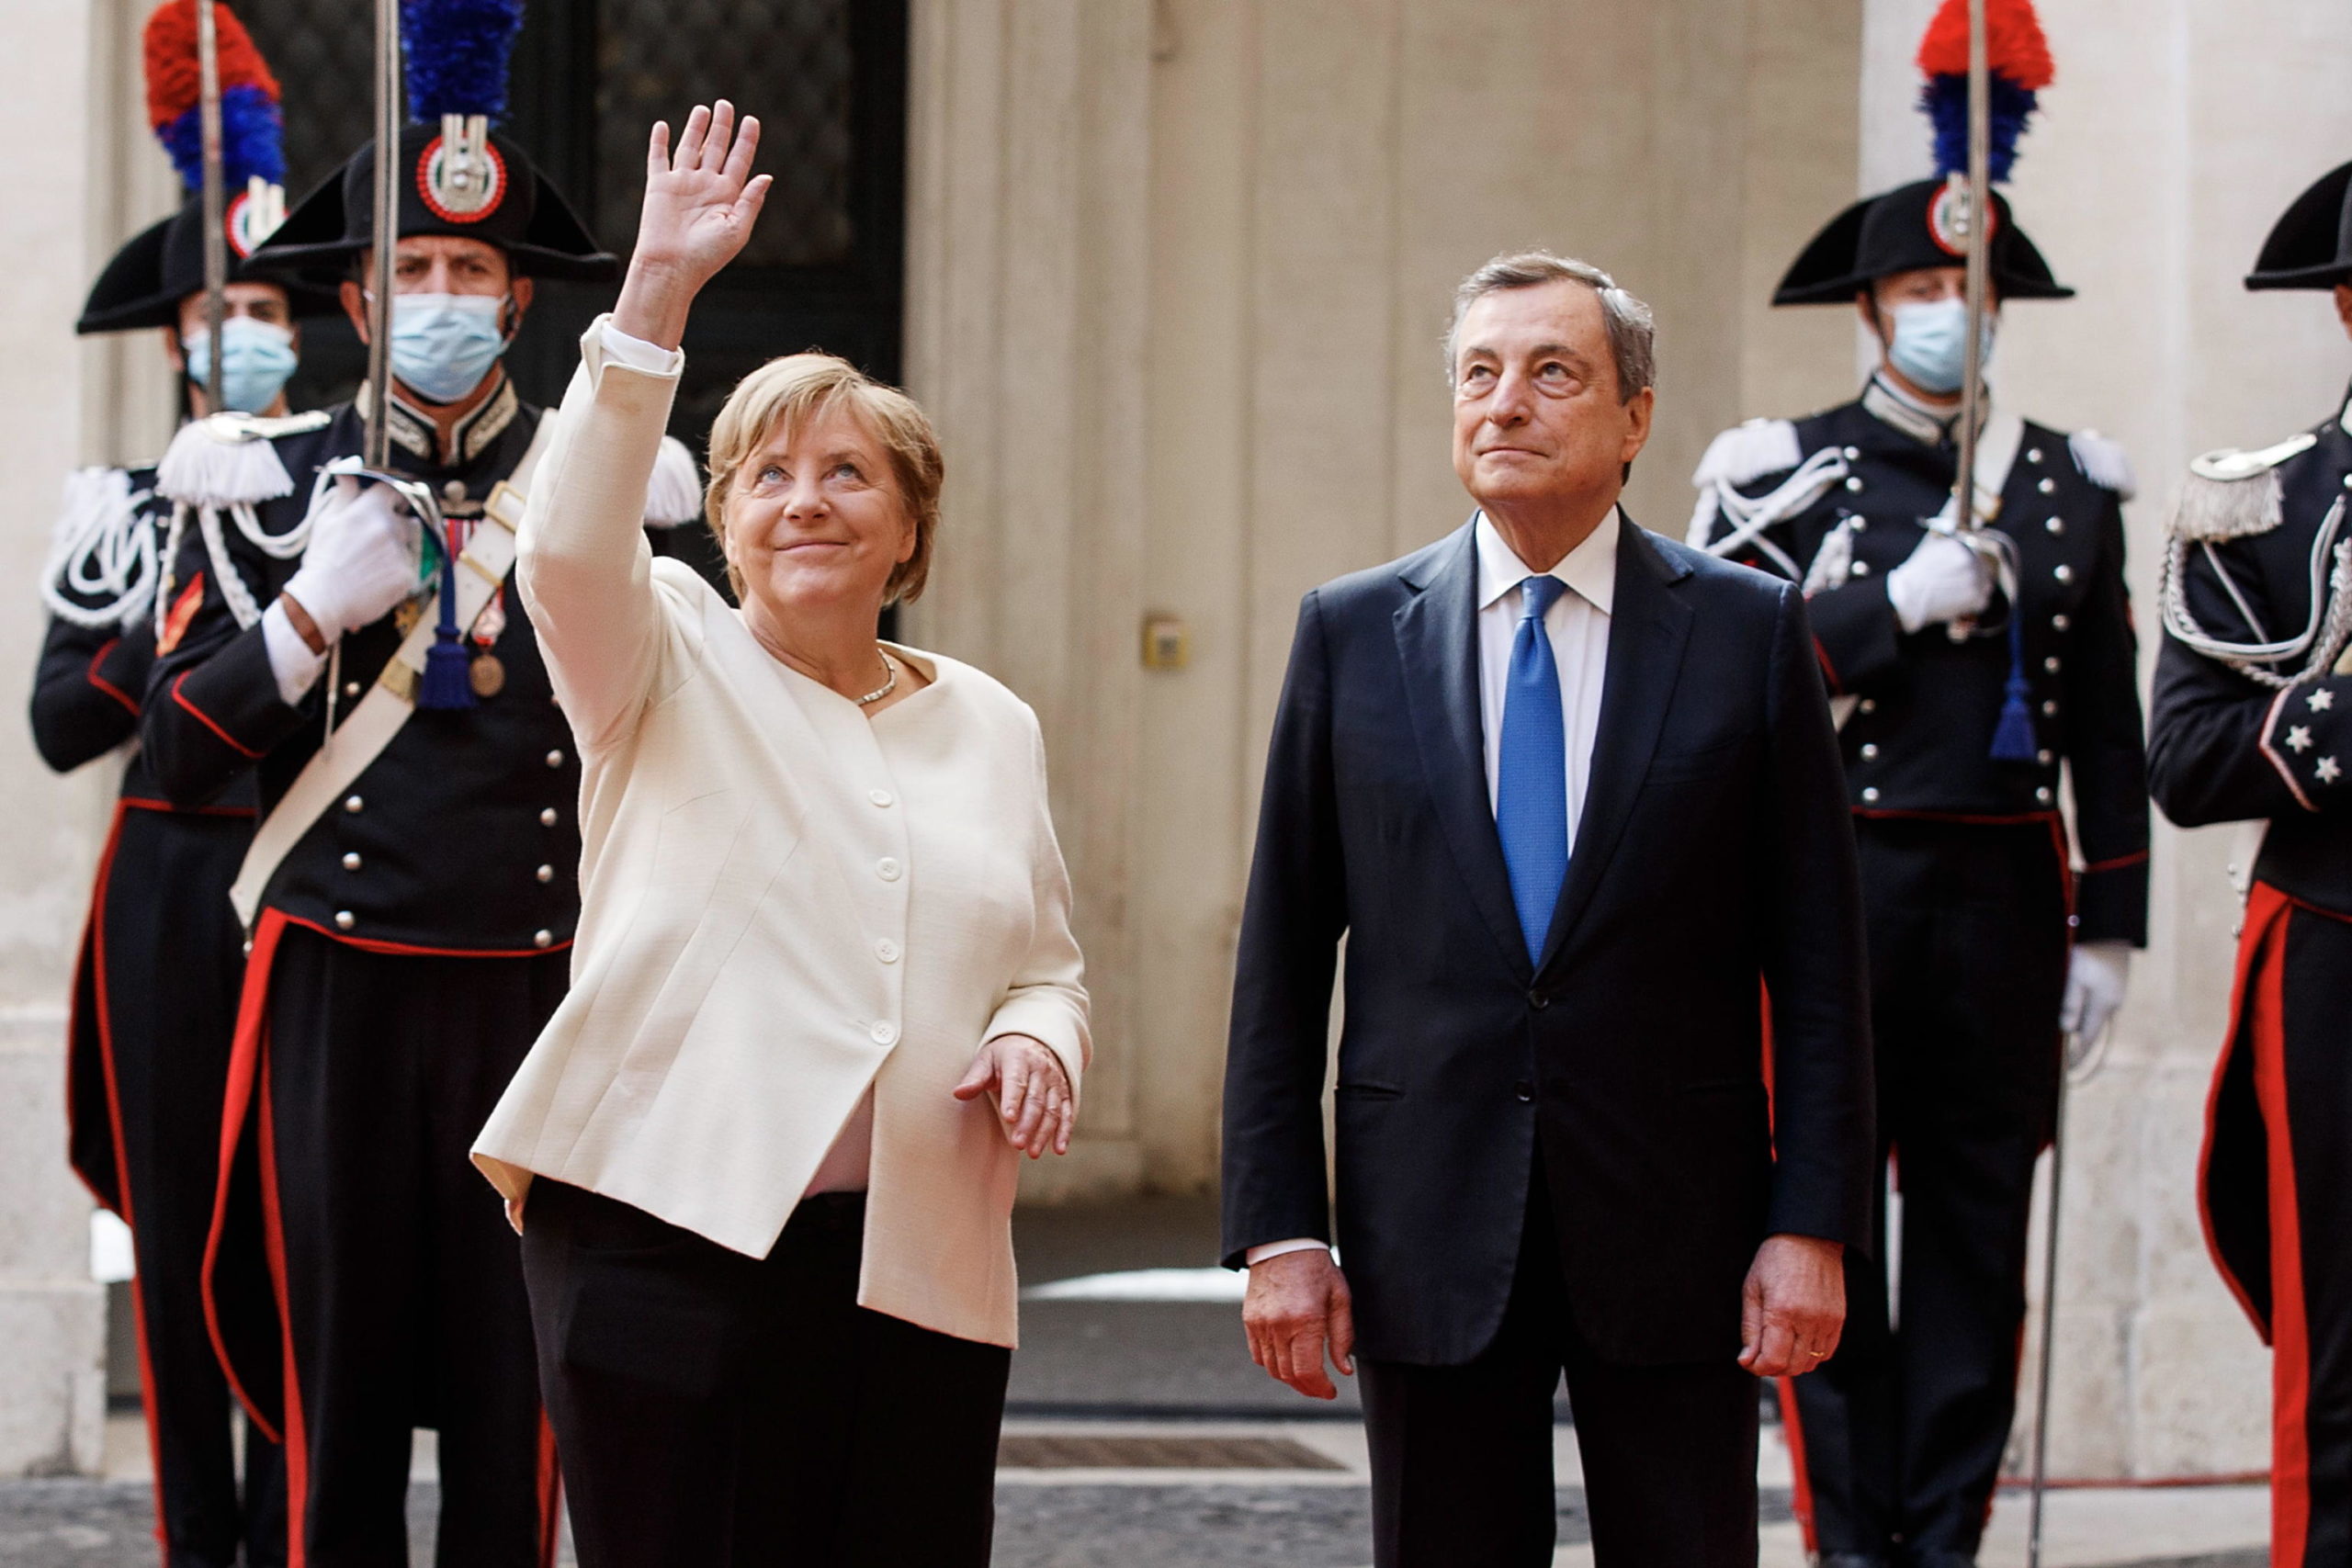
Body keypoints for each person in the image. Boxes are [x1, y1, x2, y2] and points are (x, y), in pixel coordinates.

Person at [469, 102, 1090, 1568]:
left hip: (915, 1265)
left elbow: (1046, 964)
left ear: (910, 530)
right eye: (767, 476)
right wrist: (656, 295)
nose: (807, 502)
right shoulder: (662, 651)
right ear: (726, 523)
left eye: (849, 474)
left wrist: (1039, 1042)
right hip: (660, 1240)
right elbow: (565, 546)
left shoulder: (990, 721)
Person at [1220, 250, 1874, 1568]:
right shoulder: (1352, 632)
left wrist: (1811, 1224)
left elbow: (1819, 967)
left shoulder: (1746, 632)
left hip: (1680, 1227)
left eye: (1552, 373)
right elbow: (1281, 956)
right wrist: (1281, 1231)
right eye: (1479, 373)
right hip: (1426, 1222)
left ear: (1636, 418)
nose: (1505, 402)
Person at [135, 11, 691, 1560]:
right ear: (361, 299)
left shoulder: (611, 481)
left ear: (517, 298)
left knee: (523, 1403)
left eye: (471, 271)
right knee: (339, 1403)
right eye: (414, 271)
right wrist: (308, 614)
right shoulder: (257, 479)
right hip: (334, 987)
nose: (441, 296)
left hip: (533, 984)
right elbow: (174, 756)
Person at [1685, 13, 2147, 1562]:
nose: (1952, 312)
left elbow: (2109, 726)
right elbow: (1726, 689)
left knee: (1975, 1230)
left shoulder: (2070, 481)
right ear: (1872, 309)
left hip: (2007, 894)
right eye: (1925, 290)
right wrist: (1894, 605)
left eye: (1973, 290)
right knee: (1821, 1219)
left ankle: (1944, 1532)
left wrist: (2111, 925)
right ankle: (1853, 1534)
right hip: (1843, 887)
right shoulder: (1783, 470)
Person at [36, 6, 334, 1562]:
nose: (253, 329)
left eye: (276, 305)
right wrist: (172, 596)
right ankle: (198, 1545)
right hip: (163, 893)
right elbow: (58, 727)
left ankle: (295, 1532)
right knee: (172, 1233)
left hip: (306, 876)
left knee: (297, 1225)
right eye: (226, 307)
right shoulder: (121, 508)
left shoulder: (346, 490)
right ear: (176, 336)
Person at [2147, 159, 2352, 1568]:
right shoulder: (2261, 506)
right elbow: (2188, 760)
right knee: (2340, 1353)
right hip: (2341, 934)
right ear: (2345, 305)